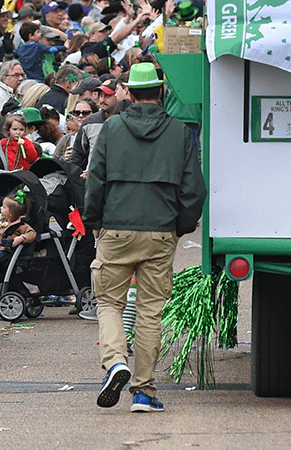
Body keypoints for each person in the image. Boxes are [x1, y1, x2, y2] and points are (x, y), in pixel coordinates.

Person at [83, 62, 206, 412]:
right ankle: (143, 391)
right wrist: (180, 225)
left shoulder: (111, 128)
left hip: (116, 228)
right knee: (150, 312)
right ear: (161, 93)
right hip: (160, 230)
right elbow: (194, 189)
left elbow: (96, 182)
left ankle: (115, 362)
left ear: (131, 95)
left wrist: (94, 220)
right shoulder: (180, 132)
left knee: (109, 302)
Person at [0, 191, 37, 293]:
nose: (1, 208)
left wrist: (21, 238)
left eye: (4, 207)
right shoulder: (3, 222)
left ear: (11, 213)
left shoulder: (21, 225)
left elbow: (32, 233)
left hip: (7, 250)